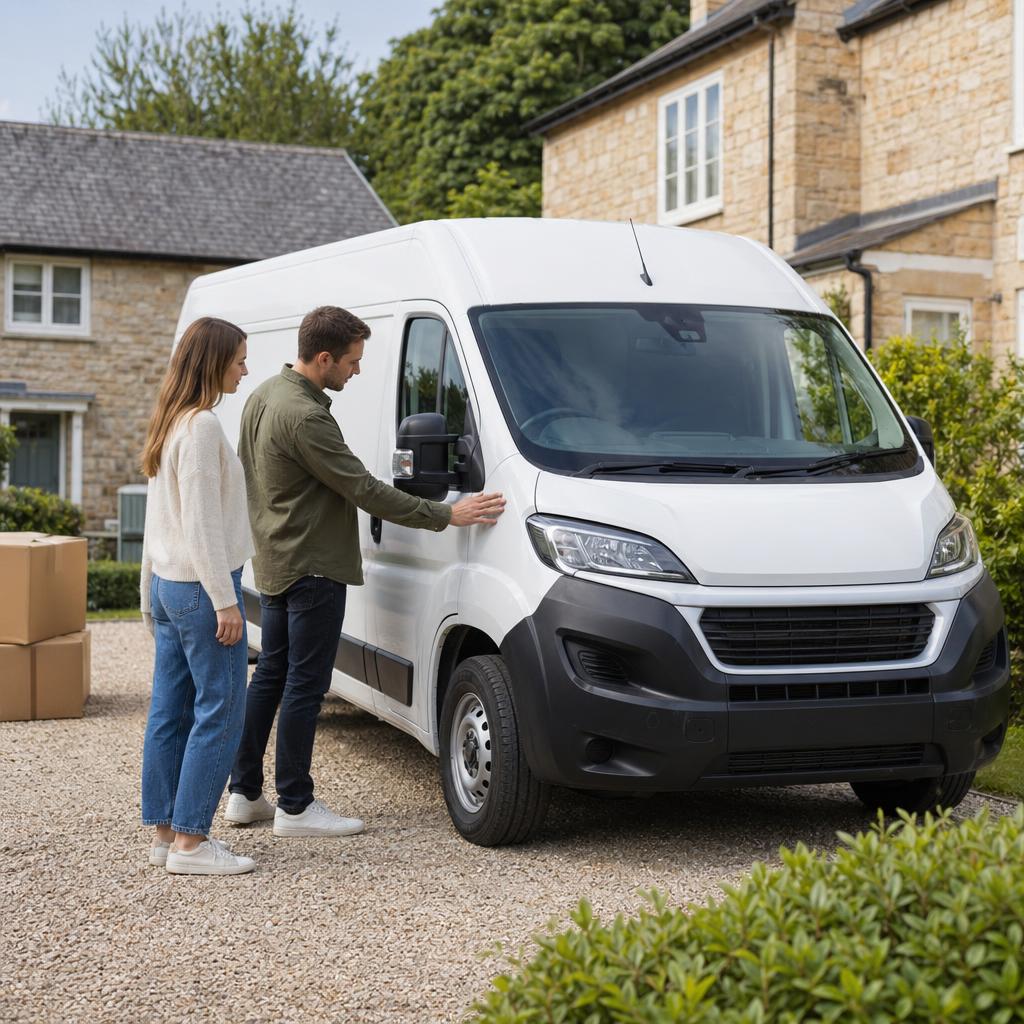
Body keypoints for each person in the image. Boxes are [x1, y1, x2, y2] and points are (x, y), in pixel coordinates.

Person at [225, 305, 505, 837]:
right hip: (312, 567)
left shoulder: (263, 395)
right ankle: (295, 806)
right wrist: (447, 514)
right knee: (306, 685)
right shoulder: (306, 416)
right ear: (324, 357)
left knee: (271, 677)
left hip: (277, 560)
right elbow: (365, 490)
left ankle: (244, 792)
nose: (355, 371)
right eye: (352, 362)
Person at [139, 316, 257, 875]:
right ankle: (191, 843)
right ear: (214, 362)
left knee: (170, 712)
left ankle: (166, 832)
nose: (245, 368)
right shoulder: (203, 426)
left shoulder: (171, 423)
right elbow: (203, 525)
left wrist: (148, 594)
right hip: (202, 587)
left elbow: (157, 520)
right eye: (238, 359)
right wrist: (225, 600)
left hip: (170, 585)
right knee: (223, 709)